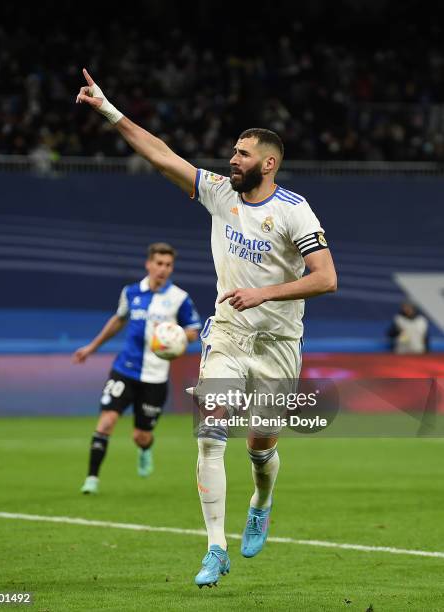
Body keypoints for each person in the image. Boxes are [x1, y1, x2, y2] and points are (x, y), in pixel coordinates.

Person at [76, 69, 337, 586]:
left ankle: (261, 501)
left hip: (280, 344)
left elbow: (326, 277)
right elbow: (161, 155)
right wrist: (108, 110)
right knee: (210, 434)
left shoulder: (294, 213)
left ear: (268, 162)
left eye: (242, 154)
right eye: (233, 152)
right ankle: (216, 546)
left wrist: (264, 292)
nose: (231, 159)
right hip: (228, 335)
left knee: (260, 449)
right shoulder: (221, 194)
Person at [73, 242, 201, 492]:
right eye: (159, 264)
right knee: (106, 421)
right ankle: (92, 479)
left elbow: (193, 331)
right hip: (125, 369)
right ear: (149, 264)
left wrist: (176, 336)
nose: (163, 269)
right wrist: (91, 347)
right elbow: (118, 320)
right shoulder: (131, 293)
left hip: (155, 377)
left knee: (141, 436)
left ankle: (145, 449)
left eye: (168, 265)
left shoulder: (179, 298)